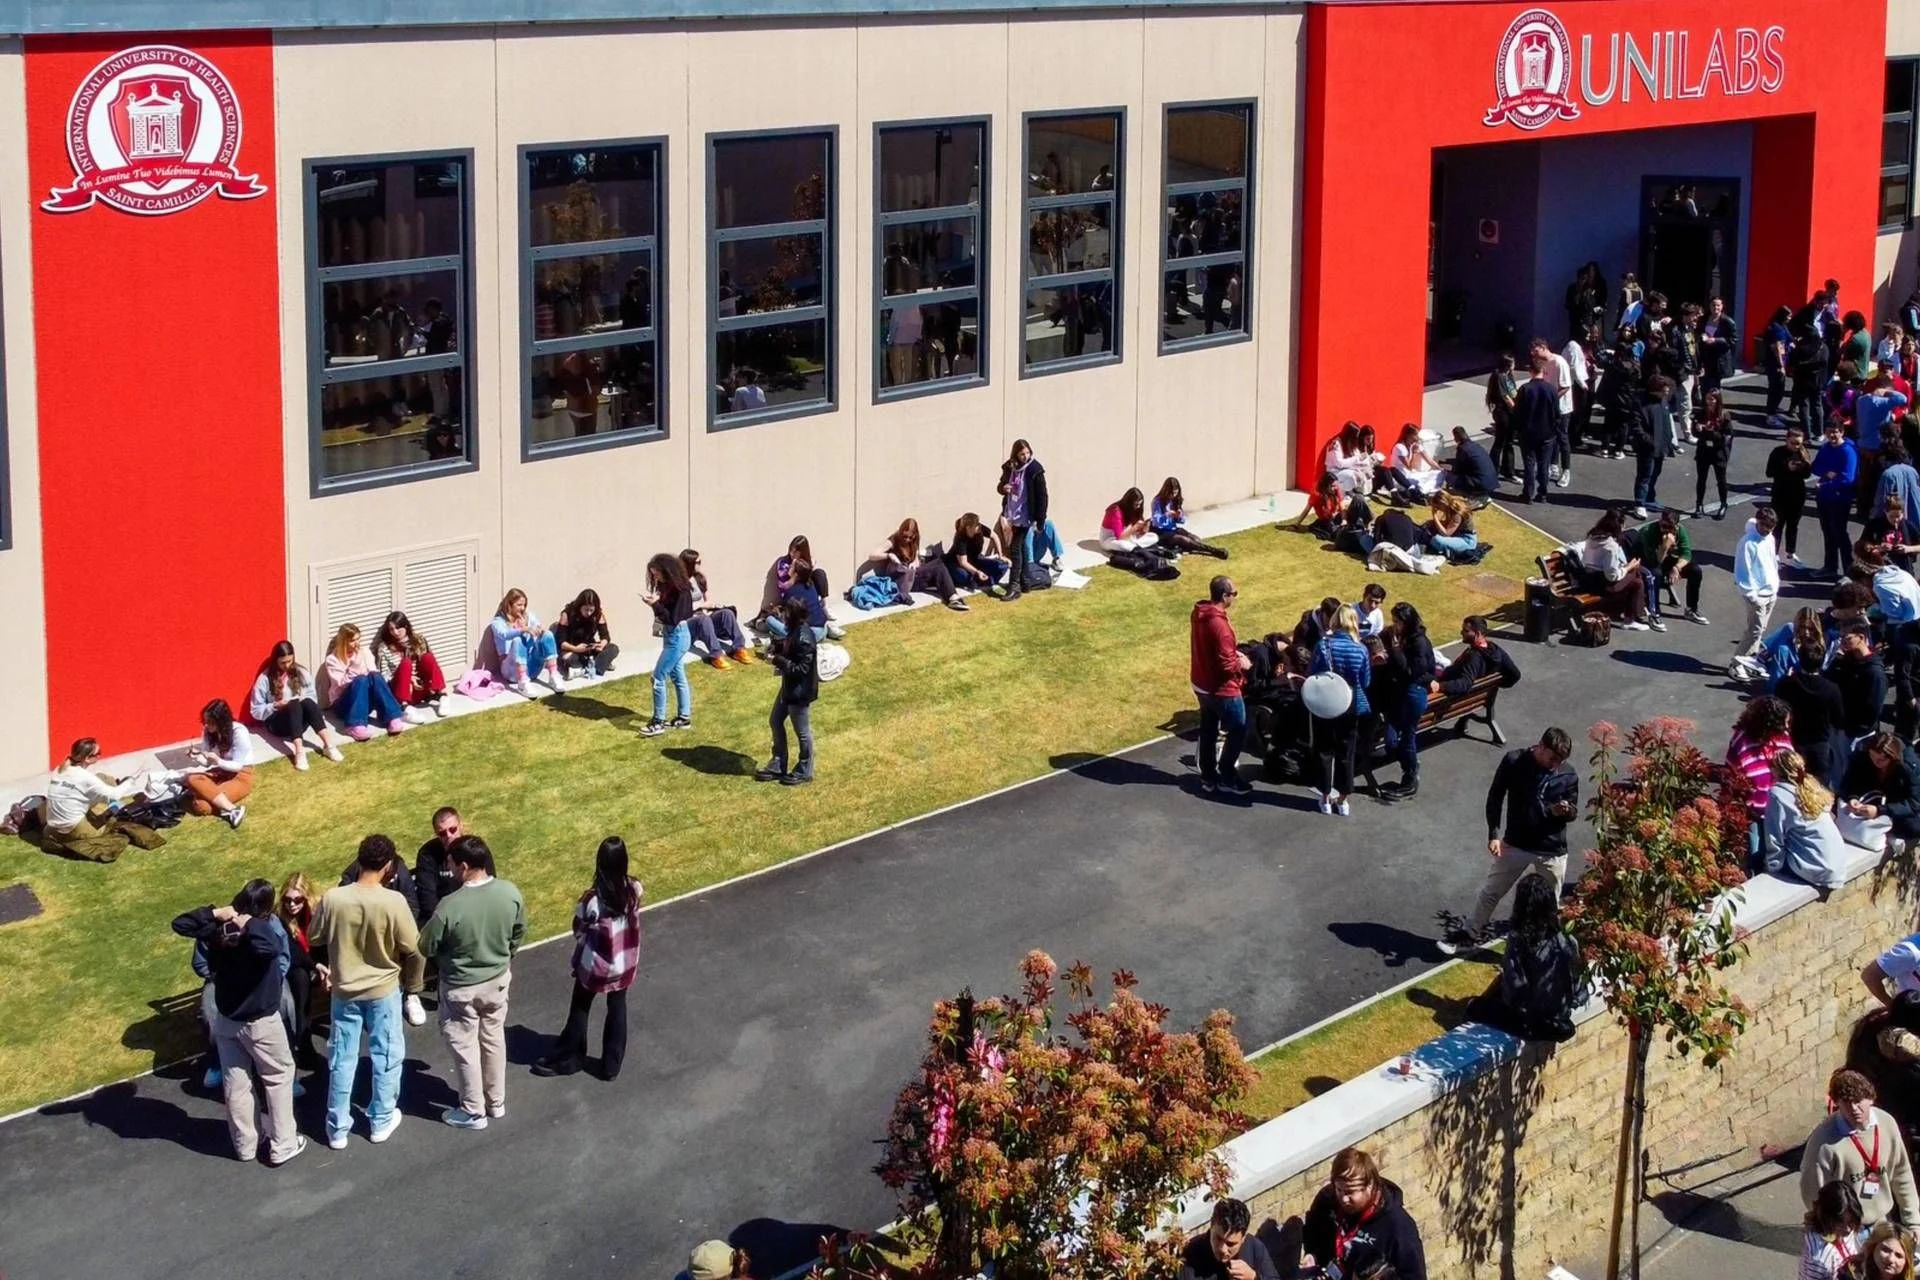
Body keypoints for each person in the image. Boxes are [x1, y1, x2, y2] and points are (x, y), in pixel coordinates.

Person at [171, 880, 304, 1166]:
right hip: (261, 1023)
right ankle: (284, 1144)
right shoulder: (261, 934)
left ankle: (246, 1146)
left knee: (237, 1085)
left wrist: (216, 914)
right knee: (278, 1078)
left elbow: (183, 923)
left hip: (229, 1021)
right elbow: (271, 948)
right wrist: (246, 920)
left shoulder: (220, 932)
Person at [313, 835, 425, 1149]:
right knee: (386, 1056)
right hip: (383, 991)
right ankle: (381, 1118)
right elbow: (412, 945)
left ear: (359, 860)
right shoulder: (393, 901)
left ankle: (337, 1127)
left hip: (345, 992)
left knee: (341, 1059)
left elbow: (316, 935)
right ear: (389, 866)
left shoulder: (334, 898)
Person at [417, 835, 524, 1131]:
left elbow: (425, 946)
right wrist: (503, 956)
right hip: (497, 982)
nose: (449, 869)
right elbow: (518, 931)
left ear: (464, 866)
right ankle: (496, 1102)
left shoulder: (449, 906)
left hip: (460, 988)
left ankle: (473, 1110)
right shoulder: (509, 892)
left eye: (451, 864)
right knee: (493, 1039)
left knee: (465, 1047)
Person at [1439, 727, 1577, 954]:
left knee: (1549, 902)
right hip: (1517, 842)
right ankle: (1470, 935)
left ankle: (1547, 950)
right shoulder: (1514, 761)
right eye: (1553, 758)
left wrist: (1565, 811)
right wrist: (1493, 834)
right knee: (1491, 891)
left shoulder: (1568, 774)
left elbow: (1573, 812)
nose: (1556, 765)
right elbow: (1496, 795)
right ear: (1541, 747)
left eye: (1560, 761)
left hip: (1552, 849)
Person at [534, 837, 644, 1081]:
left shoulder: (592, 900)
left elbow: (579, 930)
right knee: (617, 1007)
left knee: (581, 1006)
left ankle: (572, 1057)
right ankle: (611, 1066)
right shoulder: (634, 889)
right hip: (625, 964)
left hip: (596, 967)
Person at [1802, 1068, 1920, 1231]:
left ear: (1871, 1098)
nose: (1854, 1108)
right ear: (1837, 1103)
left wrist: (1913, 1222)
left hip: (1882, 1222)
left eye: (1858, 1100)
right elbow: (1813, 1192)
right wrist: (1829, 1225)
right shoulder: (1824, 1141)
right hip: (1846, 1229)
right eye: (1846, 1102)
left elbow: (1901, 1173)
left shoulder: (1887, 1124)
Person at [1471, 874, 1580, 1042]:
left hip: (1534, 1022)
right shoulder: (1566, 939)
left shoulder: (1519, 940)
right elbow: (1577, 983)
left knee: (1474, 1007)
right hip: (1561, 1014)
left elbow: (1515, 990)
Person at [1300, 1146, 1429, 1280]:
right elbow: (1313, 1234)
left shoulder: (1398, 1226)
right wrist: (1313, 1256)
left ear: (1370, 1186)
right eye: (1339, 1190)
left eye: (1350, 1192)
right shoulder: (1327, 1201)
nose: (1344, 1199)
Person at [36, 737, 164, 862]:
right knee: (111, 811)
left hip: (51, 827)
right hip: (74, 829)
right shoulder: (84, 777)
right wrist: (133, 778)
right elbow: (114, 795)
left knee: (101, 779)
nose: (100, 755)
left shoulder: (60, 769)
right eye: (98, 753)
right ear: (87, 758)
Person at [1191, 576, 1252, 796]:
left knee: (1208, 728)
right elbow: (1227, 665)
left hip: (1201, 682)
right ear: (1225, 596)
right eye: (1233, 594)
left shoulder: (1199, 613)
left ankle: (1208, 776)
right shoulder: (1220, 626)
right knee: (1238, 728)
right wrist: (1241, 663)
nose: (1235, 597)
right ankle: (1227, 774)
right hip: (1221, 688)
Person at [1309, 605, 1371, 817]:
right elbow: (1365, 680)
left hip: (1326, 701)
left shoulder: (1324, 645)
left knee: (1324, 749)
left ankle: (1325, 797)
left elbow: (1313, 673)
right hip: (1351, 702)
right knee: (1347, 752)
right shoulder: (1361, 649)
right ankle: (1343, 799)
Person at [249, 640, 346, 769]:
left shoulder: (301, 672)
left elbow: (312, 697)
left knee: (306, 702)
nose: (287, 665)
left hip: (299, 722)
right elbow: (255, 710)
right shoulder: (265, 678)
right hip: (278, 722)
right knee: (293, 704)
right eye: (283, 662)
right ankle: (299, 752)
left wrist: (302, 699)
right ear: (275, 661)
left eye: (290, 661)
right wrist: (275, 706)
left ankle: (329, 745)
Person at [756, 594, 820, 786]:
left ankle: (805, 769)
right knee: (775, 720)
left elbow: (801, 669)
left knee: (802, 732)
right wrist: (775, 649)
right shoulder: (795, 631)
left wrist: (778, 660)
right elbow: (788, 647)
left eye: (785, 611)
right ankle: (778, 763)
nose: (783, 614)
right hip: (789, 688)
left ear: (793, 613)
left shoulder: (805, 637)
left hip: (799, 692)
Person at [1377, 603, 1437, 801]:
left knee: (1407, 737)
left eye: (1398, 622)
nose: (1394, 626)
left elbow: (1411, 672)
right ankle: (1409, 765)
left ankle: (1410, 777)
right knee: (1392, 738)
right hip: (1400, 693)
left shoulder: (1419, 643)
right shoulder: (1404, 638)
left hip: (1412, 694)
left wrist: (1394, 650)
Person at [1767, 750, 1850, 892]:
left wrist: (1772, 867)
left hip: (1816, 868)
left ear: (1778, 771)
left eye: (1771, 766)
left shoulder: (1777, 794)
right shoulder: (1813, 786)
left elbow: (1775, 837)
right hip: (1836, 866)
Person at [1728, 695, 1793, 868]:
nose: (1787, 727)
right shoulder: (1742, 741)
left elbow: (1792, 767)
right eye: (1783, 723)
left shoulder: (1782, 738)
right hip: (1753, 814)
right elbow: (1736, 776)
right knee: (1754, 855)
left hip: (1781, 812)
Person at [323, 623, 415, 741]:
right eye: (352, 641)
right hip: (343, 704)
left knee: (375, 676)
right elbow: (341, 684)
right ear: (343, 642)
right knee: (361, 680)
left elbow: (373, 673)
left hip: (364, 701)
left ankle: (392, 717)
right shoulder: (333, 660)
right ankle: (354, 724)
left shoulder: (364, 651)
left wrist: (364, 670)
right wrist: (356, 666)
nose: (356, 643)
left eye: (358, 639)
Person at [1779, 640, 1850, 787]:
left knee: (1791, 782)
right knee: (1820, 786)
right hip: (1820, 744)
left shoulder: (1787, 684)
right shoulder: (1831, 689)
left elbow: (1778, 707)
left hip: (1793, 741)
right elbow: (1838, 720)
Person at [642, 553, 697, 736]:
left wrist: (655, 605)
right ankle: (684, 717)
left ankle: (658, 721)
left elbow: (673, 618)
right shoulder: (666, 586)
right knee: (677, 674)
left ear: (666, 570)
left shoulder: (681, 591)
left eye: (656, 573)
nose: (655, 577)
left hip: (677, 636)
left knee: (658, 677)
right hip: (671, 635)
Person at [1840, 731, 1920, 852]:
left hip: (1896, 803)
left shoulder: (1909, 766)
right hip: (1871, 797)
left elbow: (1914, 803)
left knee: (1913, 827)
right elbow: (1850, 781)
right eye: (1873, 757)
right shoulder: (1863, 755)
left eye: (1881, 760)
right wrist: (1853, 798)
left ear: (1893, 758)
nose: (1876, 762)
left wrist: (1880, 811)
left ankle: (1888, 833)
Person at [1577, 508, 1655, 630]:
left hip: (1588, 579)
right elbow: (1611, 576)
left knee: (1636, 581)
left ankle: (1637, 611)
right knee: (1636, 576)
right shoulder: (1611, 546)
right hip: (1603, 585)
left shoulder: (1593, 536)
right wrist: (1629, 567)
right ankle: (1636, 614)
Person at [997, 439, 1056, 601]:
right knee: (1021, 547)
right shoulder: (1010, 467)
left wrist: (1040, 520)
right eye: (1022, 454)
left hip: (1026, 514)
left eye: (1027, 453)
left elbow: (1043, 496)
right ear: (1016, 454)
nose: (1025, 456)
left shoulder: (1035, 470)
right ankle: (1025, 582)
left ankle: (1014, 585)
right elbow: (1000, 486)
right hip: (1012, 511)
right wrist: (1004, 488)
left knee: (1015, 548)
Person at [275, 871, 323, 1068]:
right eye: (287, 900)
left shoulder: (316, 913)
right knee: (300, 978)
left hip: (318, 963)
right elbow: (291, 952)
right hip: (295, 968)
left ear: (307, 897)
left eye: (297, 900)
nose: (291, 905)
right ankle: (304, 1042)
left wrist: (323, 967)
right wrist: (314, 966)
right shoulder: (279, 918)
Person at [869, 518, 968, 611]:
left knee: (938, 563)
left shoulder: (914, 540)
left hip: (913, 574)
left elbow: (915, 556)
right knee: (938, 567)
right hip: (901, 578)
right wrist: (889, 555)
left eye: (910, 537)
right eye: (905, 536)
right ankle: (952, 597)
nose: (907, 539)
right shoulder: (894, 539)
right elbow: (872, 555)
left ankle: (953, 598)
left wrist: (914, 562)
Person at [1729, 508, 1783, 679]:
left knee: (1759, 630)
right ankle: (1736, 664)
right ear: (1758, 522)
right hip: (1757, 596)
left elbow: (1772, 562)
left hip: (1770, 593)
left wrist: (1775, 587)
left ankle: (1749, 661)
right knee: (1754, 631)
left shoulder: (1770, 538)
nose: (1767, 530)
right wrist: (1753, 596)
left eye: (1771, 527)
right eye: (1765, 526)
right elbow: (1743, 571)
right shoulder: (1747, 543)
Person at [185, 699, 253, 829]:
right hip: (222, 772)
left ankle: (230, 808)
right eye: (205, 721)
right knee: (191, 778)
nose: (207, 725)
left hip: (241, 775)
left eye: (210, 722)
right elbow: (206, 763)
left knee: (201, 806)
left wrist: (218, 760)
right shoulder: (208, 732)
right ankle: (231, 808)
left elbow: (238, 766)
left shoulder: (239, 731)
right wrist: (196, 757)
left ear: (221, 720)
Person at [680, 550, 753, 670]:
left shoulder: (699, 579)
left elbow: (709, 602)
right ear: (689, 563)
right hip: (688, 624)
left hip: (703, 618)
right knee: (703, 619)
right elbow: (681, 609)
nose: (700, 564)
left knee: (727, 613)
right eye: (698, 562)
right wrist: (699, 606)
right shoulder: (678, 583)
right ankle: (716, 655)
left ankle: (739, 648)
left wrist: (698, 606)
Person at [1635, 510, 1706, 628]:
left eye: (1670, 527)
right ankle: (1654, 614)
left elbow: (1686, 554)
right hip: (1646, 563)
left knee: (1695, 571)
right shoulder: (1649, 532)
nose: (1666, 530)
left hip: (1667, 561)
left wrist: (1676, 568)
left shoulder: (1681, 531)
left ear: (1677, 527)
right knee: (1655, 575)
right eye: (1663, 526)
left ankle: (1691, 609)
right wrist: (1665, 546)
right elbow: (1654, 562)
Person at [1176, 1198, 1278, 1280]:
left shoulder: (1254, 1248)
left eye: (1231, 1244)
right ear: (1211, 1226)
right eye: (1218, 1239)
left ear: (1243, 1239)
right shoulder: (1191, 1253)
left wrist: (1254, 1277)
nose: (1222, 1249)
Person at [373, 612, 447, 720]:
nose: (395, 632)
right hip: (401, 690)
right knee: (406, 663)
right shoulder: (384, 647)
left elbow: (429, 666)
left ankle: (443, 696)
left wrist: (419, 681)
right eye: (391, 629)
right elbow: (384, 676)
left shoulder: (418, 639)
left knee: (428, 657)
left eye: (398, 628)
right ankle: (405, 707)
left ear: (406, 626)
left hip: (421, 688)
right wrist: (410, 679)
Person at [489, 588, 563, 696]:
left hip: (532, 668)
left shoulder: (527, 616)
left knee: (547, 634)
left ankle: (553, 675)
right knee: (518, 640)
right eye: (519, 605)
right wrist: (522, 629)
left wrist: (538, 630)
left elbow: (538, 626)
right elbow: (504, 635)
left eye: (524, 605)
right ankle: (522, 683)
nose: (522, 608)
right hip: (512, 672)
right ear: (509, 605)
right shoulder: (498, 622)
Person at [1430, 614, 1523, 698]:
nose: (1461, 633)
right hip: (1477, 694)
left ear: (1477, 634)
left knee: (1431, 659)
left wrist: (1440, 686)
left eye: (1466, 631)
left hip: (1447, 686)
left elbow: (1465, 683)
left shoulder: (1474, 656)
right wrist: (1495, 685)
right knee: (1438, 659)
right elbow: (1515, 674)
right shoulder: (1495, 649)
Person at [1627, 371, 1677, 517]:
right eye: (1663, 391)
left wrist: (1669, 442)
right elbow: (1636, 427)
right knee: (1645, 475)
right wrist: (1648, 441)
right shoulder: (1640, 403)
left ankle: (1649, 497)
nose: (1666, 394)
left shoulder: (1663, 400)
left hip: (1661, 445)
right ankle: (1639, 503)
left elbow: (1666, 421)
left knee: (1656, 472)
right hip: (1647, 447)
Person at [1818, 418, 1863, 579]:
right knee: (1828, 532)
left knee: (1840, 533)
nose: (1832, 435)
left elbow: (1848, 478)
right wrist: (1831, 474)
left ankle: (1849, 570)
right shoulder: (1825, 448)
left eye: (1835, 432)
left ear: (1842, 432)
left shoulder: (1848, 451)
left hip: (1840, 499)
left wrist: (1827, 482)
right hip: (1824, 497)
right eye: (1829, 432)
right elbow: (1816, 467)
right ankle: (1830, 566)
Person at [1513, 355, 1559, 503]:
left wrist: (1518, 429)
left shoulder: (1525, 389)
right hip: (1547, 433)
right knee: (1544, 465)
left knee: (1529, 464)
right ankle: (1543, 493)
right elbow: (1556, 413)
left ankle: (1528, 493)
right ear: (1543, 370)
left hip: (1528, 433)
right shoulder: (1551, 389)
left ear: (1530, 371)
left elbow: (1518, 412)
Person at [1833, 626, 1890, 740]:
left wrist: (1853, 727)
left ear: (1861, 637)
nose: (1842, 641)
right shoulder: (1847, 660)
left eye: (1847, 637)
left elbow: (1873, 710)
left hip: (1858, 734)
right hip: (1842, 727)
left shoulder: (1875, 673)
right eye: (1841, 637)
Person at [1803, 1181, 1867, 1280]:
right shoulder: (1818, 1260)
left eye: (1851, 1221)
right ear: (1826, 1216)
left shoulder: (1846, 1232)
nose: (1848, 1229)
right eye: (1840, 1222)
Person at [552, 588, 620, 681]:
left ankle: (586, 669)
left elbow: (605, 636)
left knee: (613, 648)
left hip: (589, 647)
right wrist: (576, 649)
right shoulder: (567, 614)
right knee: (568, 658)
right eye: (586, 609)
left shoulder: (598, 615)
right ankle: (599, 665)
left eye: (591, 610)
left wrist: (601, 644)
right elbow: (560, 642)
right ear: (579, 606)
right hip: (572, 648)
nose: (588, 613)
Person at [1772, 426, 1815, 571]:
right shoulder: (1778, 452)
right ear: (1786, 440)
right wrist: (1786, 467)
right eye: (1792, 443)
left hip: (1797, 495)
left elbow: (1808, 475)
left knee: (1793, 525)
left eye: (1798, 443)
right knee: (1777, 525)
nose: (1795, 446)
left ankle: (1791, 552)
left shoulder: (1803, 453)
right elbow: (1769, 472)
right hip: (1780, 494)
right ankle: (1774, 554)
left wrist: (1801, 467)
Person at [1150, 478, 1228, 558]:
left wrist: (1179, 516)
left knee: (1195, 539)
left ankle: (1183, 547)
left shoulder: (1174, 501)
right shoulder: (1157, 501)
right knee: (1184, 540)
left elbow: (1183, 521)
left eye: (1175, 493)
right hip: (1161, 532)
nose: (1173, 495)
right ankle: (1214, 551)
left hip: (1173, 529)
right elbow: (1156, 521)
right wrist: (1167, 514)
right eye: (1171, 493)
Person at [415, 805, 465, 924]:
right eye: (442, 833)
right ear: (436, 833)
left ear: (461, 826)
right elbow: (428, 899)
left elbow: (488, 884)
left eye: (453, 829)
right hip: (443, 919)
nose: (448, 836)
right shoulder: (427, 854)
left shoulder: (475, 849)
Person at [944, 513, 1011, 591]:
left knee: (1002, 565)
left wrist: (1000, 555)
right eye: (976, 525)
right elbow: (963, 562)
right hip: (957, 564)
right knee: (963, 576)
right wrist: (977, 572)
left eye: (978, 524)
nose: (979, 526)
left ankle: (982, 580)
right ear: (968, 528)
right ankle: (977, 579)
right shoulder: (960, 538)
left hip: (975, 560)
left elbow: (994, 536)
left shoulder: (980, 528)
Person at [1692, 395, 1734, 519]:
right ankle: (1699, 505)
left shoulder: (1724, 416)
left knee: (1721, 480)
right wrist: (1697, 429)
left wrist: (1712, 432)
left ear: (1718, 400)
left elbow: (1727, 437)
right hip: (1704, 451)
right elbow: (1694, 432)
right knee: (1701, 479)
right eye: (1708, 399)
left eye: (1712, 399)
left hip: (1718, 452)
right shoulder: (1701, 413)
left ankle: (1723, 504)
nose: (1710, 402)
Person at [1385, 424, 1444, 501]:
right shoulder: (1399, 447)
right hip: (1403, 476)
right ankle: (1418, 491)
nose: (1417, 438)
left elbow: (1429, 460)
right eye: (1415, 435)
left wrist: (1440, 469)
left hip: (1412, 473)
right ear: (1408, 435)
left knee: (1437, 473)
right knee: (1420, 481)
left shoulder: (1415, 445)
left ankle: (1424, 490)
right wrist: (1413, 453)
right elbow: (1409, 467)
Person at [1485, 354, 1520, 481]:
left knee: (1508, 442)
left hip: (1509, 412)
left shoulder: (1508, 376)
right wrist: (1516, 409)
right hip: (1503, 412)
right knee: (1500, 441)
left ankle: (1508, 470)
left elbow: (1513, 392)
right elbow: (1506, 397)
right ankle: (1492, 469)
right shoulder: (1499, 377)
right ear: (1508, 364)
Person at [1845, 1222, 1918, 1280]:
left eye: (1898, 1255)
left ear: (1907, 1261)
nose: (1890, 1259)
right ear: (1873, 1247)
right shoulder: (1853, 1274)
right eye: (1885, 1250)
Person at [1761, 305, 1794, 426]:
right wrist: (1781, 366)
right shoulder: (1777, 329)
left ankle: (1773, 412)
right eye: (1789, 316)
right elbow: (1777, 348)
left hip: (1776, 362)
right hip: (1776, 364)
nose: (1790, 318)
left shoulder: (1781, 326)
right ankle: (1771, 416)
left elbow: (1789, 340)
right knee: (1776, 389)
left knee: (1777, 388)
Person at [1100, 488, 1161, 554]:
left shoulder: (1134, 510)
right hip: (1111, 538)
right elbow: (1120, 537)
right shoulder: (1115, 511)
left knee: (1154, 536)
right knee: (1123, 545)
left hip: (1129, 537)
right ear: (1129, 503)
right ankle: (1137, 547)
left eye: (1140, 504)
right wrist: (1135, 527)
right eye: (1136, 504)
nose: (1138, 507)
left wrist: (1144, 528)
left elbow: (1137, 534)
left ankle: (1134, 546)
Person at [1700, 295, 1739, 396]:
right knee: (1704, 384)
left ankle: (1714, 407)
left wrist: (1716, 340)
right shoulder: (1704, 319)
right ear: (1709, 306)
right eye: (1713, 305)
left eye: (1718, 305)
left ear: (1722, 306)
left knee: (1714, 386)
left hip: (1719, 359)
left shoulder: (1728, 321)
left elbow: (1733, 340)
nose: (1715, 308)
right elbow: (1698, 332)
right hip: (1706, 357)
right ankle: (1705, 406)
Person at [1322, 423, 1375, 497]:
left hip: (1343, 471)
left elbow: (1351, 460)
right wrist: (1358, 459)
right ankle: (1341, 493)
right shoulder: (1336, 444)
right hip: (1333, 472)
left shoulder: (1347, 443)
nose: (1356, 439)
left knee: (1364, 472)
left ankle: (1349, 491)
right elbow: (1340, 464)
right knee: (1353, 476)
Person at [1447, 425, 1498, 499]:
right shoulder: (1475, 446)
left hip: (1480, 484)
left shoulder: (1462, 448)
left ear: (1456, 437)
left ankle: (1467, 495)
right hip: (1491, 482)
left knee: (1449, 477)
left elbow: (1458, 469)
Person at [1425, 492, 1479, 561]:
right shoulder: (1451, 507)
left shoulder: (1457, 514)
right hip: (1457, 534)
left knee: (1436, 540)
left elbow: (1446, 534)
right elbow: (1448, 524)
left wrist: (1435, 517)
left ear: (1443, 504)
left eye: (1438, 507)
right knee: (1430, 525)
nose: (1438, 509)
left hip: (1466, 540)